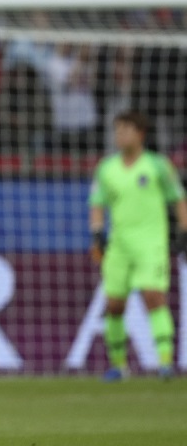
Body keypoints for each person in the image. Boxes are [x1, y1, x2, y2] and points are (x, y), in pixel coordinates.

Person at [89, 110, 187, 382]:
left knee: (154, 297)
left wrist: (184, 229)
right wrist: (97, 234)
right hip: (119, 244)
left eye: (125, 130)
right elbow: (97, 204)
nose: (120, 135)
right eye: (117, 130)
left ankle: (166, 362)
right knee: (113, 304)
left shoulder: (158, 165)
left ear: (140, 134)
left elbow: (178, 197)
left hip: (151, 242)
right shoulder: (106, 168)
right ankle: (119, 366)